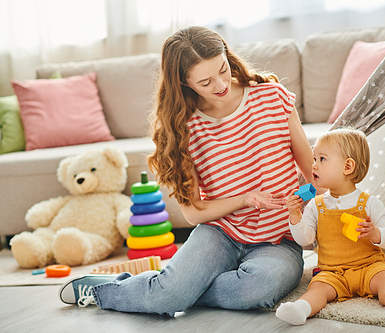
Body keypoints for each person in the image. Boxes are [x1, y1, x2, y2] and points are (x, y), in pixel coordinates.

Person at [58, 26, 315, 316]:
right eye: (206, 81)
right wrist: (245, 199)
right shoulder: (182, 128)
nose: (221, 84)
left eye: (223, 69)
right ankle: (112, 291)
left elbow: (313, 173)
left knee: (256, 289)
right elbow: (193, 212)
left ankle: (171, 288)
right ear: (184, 82)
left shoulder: (273, 97)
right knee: (164, 300)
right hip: (221, 234)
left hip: (279, 239)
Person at [276, 128, 385, 326]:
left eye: (322, 159)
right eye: (314, 159)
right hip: (333, 272)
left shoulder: (369, 203)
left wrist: (375, 233)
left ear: (347, 166)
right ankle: (301, 308)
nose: (314, 166)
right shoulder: (316, 205)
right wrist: (295, 217)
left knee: (384, 279)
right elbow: (305, 240)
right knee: (317, 289)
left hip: (369, 267)